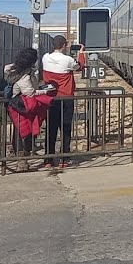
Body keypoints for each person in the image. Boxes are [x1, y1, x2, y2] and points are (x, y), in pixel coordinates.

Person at [5, 47, 54, 172]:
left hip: (13, 105)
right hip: (23, 105)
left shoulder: (12, 70)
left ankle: (19, 154)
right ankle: (22, 158)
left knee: (18, 129)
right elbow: (30, 92)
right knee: (28, 130)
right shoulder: (24, 76)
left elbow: (8, 68)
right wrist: (45, 91)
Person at [42, 35, 82, 169]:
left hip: (51, 99)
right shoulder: (68, 60)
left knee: (51, 128)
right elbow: (80, 67)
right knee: (65, 128)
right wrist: (81, 53)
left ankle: (48, 159)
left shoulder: (45, 58)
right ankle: (64, 158)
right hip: (66, 98)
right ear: (64, 46)